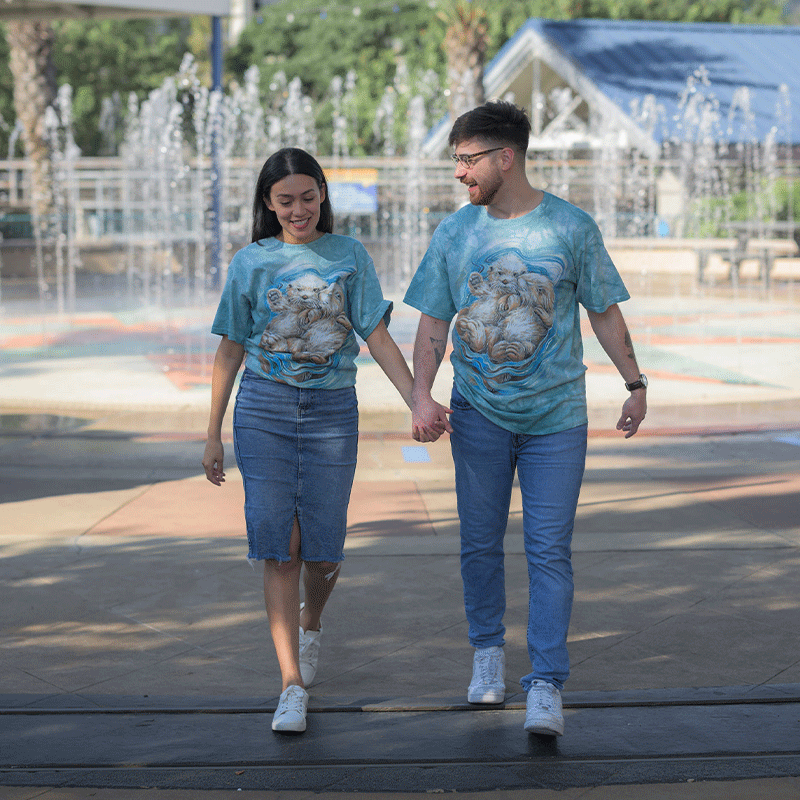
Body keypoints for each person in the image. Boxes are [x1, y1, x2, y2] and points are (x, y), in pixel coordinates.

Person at [405, 101, 647, 737]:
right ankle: (488, 656)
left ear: (504, 158)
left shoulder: (570, 226)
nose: (459, 172)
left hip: (557, 420)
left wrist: (634, 382)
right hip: (478, 415)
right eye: (456, 160)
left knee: (549, 551)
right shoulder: (455, 234)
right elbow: (433, 320)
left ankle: (545, 684)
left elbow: (603, 310)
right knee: (479, 544)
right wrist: (421, 396)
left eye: (467, 159)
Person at [202, 147, 447, 734]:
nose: (298, 210)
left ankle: (312, 621)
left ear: (322, 196)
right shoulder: (251, 263)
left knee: (324, 550)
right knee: (278, 545)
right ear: (268, 203)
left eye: (308, 197)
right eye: (285, 200)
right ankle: (290, 685)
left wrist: (418, 398)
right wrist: (211, 431)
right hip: (263, 409)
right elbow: (231, 348)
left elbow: (378, 337)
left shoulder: (348, 255)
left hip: (332, 412)